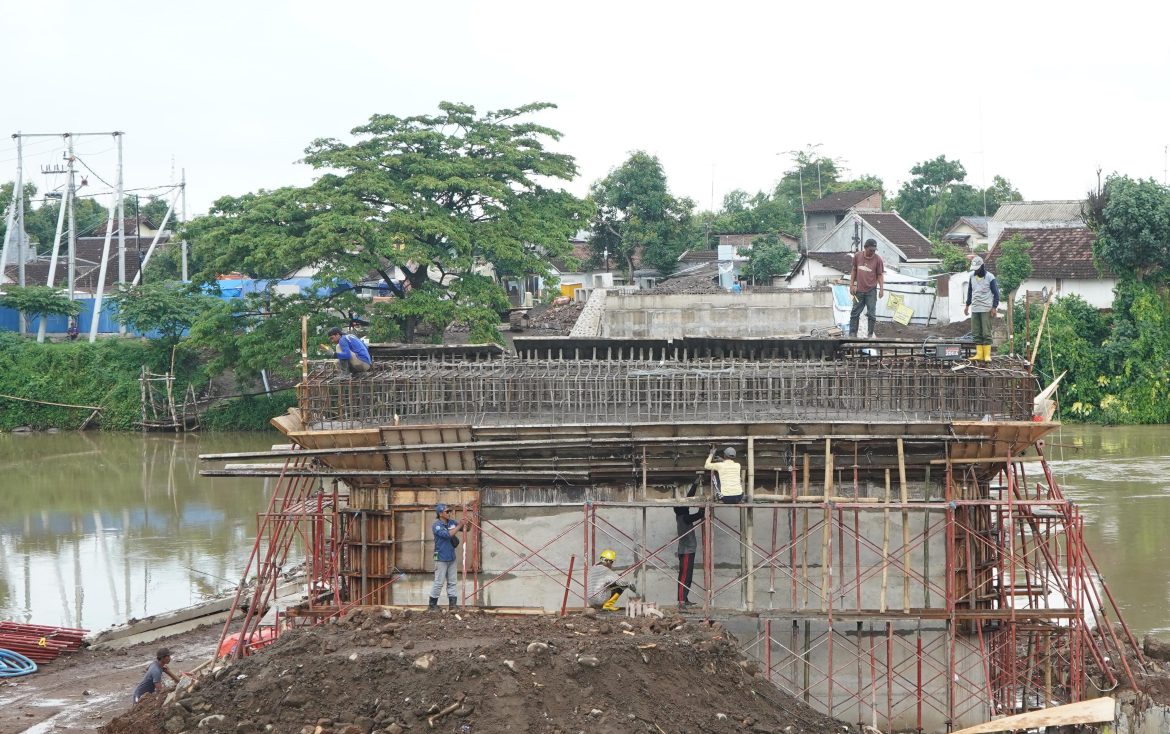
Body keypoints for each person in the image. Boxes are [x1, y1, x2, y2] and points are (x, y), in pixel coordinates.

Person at [429, 503, 466, 611]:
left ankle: (453, 605)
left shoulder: (451, 522)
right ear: (440, 514)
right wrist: (459, 525)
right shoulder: (436, 525)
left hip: (451, 557)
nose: (449, 513)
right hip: (441, 557)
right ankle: (432, 605)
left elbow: (465, 529)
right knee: (439, 582)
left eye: (449, 511)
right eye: (447, 511)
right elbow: (447, 535)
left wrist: (468, 523)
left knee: (452, 582)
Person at [674, 479, 704, 609]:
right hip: (686, 552)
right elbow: (699, 514)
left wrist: (695, 485)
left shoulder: (681, 516)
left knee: (687, 577)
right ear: (683, 509)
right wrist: (703, 506)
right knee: (684, 577)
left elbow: (688, 499)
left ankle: (684, 599)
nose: (687, 505)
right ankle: (681, 601)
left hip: (688, 551)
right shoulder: (684, 518)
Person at [963, 256, 1000, 363]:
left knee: (986, 332)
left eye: (977, 268)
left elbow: (996, 293)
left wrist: (994, 307)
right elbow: (970, 292)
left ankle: (987, 355)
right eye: (974, 268)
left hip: (986, 309)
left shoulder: (990, 277)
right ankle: (979, 354)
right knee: (976, 332)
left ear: (982, 266)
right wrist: (967, 305)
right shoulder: (971, 277)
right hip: (975, 308)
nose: (975, 270)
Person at [849, 238, 885, 339]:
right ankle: (852, 335)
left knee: (871, 314)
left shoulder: (878, 259)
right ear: (865, 248)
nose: (872, 252)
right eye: (870, 250)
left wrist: (881, 289)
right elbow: (854, 271)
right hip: (858, 291)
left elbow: (880, 275)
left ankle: (870, 335)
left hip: (871, 291)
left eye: (874, 250)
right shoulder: (857, 256)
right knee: (855, 313)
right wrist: (852, 285)